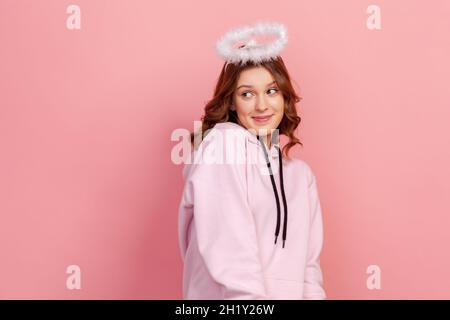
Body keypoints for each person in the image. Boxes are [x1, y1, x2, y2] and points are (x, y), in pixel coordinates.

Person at [178, 21, 326, 300]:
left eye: (271, 91)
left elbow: (309, 269)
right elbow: (228, 243)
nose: (261, 105)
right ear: (232, 102)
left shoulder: (300, 176)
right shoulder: (223, 145)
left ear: (284, 96)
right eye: (247, 94)